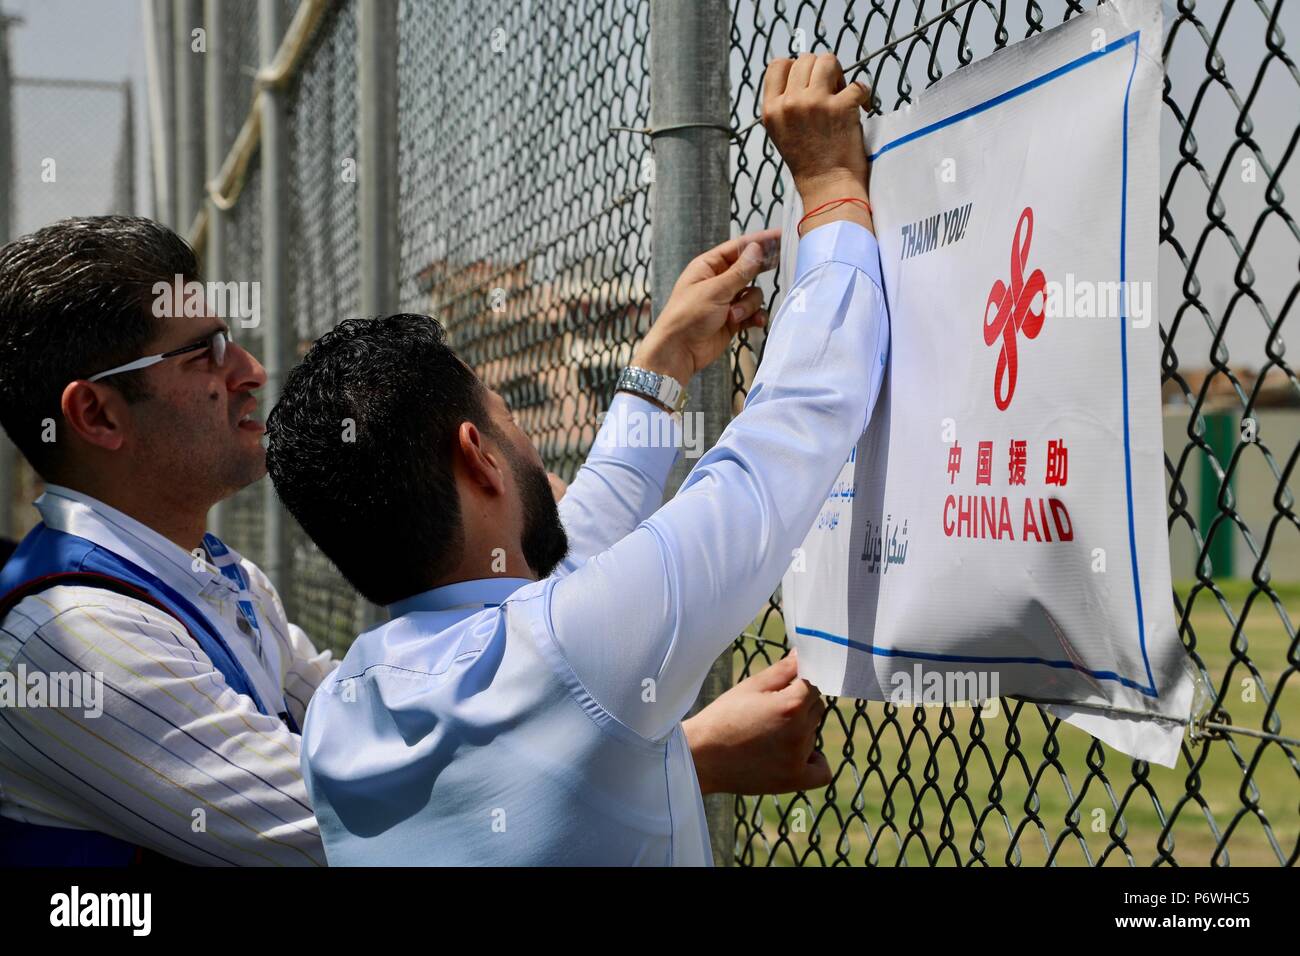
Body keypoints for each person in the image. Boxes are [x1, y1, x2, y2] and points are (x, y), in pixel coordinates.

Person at [0, 209, 829, 863]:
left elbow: (522, 596)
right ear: (97, 413)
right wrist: (686, 755)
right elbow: (370, 828)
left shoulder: (214, 576)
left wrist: (661, 371)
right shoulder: (68, 641)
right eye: (202, 356)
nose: (248, 369)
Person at [268, 52, 885, 865]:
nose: (524, 433)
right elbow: (791, 425)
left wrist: (658, 370)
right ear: (478, 459)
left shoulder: (343, 709)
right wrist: (834, 188)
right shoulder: (569, 650)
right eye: (504, 414)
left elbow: (569, 557)